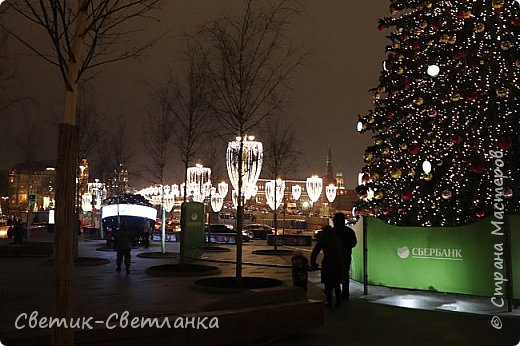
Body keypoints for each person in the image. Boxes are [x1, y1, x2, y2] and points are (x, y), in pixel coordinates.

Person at [310, 225, 344, 307]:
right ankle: (338, 302)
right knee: (336, 284)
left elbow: (316, 251)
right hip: (338, 263)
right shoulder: (337, 239)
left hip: (328, 263)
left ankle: (329, 302)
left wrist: (313, 263)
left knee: (328, 284)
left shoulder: (324, 239)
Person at [333, 212, 357, 300]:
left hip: (334, 256)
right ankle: (345, 293)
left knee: (334, 273)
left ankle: (336, 291)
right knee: (345, 274)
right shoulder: (349, 231)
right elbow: (354, 243)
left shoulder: (333, 231)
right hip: (346, 255)